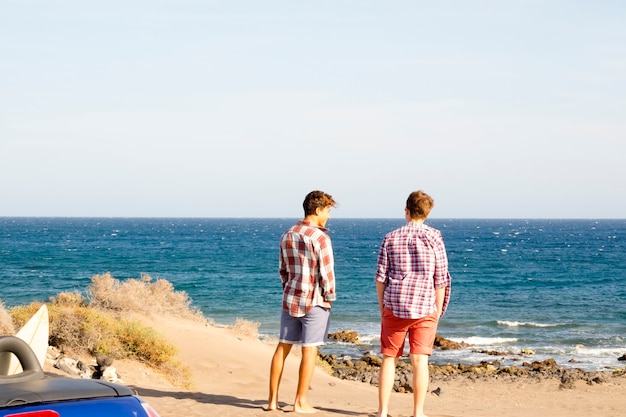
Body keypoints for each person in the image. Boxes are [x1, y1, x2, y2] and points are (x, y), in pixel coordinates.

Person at [374, 190, 451, 417]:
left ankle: (382, 411)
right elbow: (441, 278)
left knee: (389, 358)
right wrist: (438, 309)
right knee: (420, 361)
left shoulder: (390, 237)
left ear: (407, 211)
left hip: (395, 304)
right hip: (426, 306)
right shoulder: (435, 237)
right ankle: (418, 412)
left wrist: (382, 307)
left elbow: (381, 277)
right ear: (427, 213)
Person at [266, 190, 337, 413]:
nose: (328, 216)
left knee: (282, 347)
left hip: (291, 297)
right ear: (317, 210)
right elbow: (327, 274)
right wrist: (330, 298)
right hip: (315, 299)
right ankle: (300, 401)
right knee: (309, 350)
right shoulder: (320, 237)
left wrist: (288, 288)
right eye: (327, 211)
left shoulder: (287, 234)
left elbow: (283, 270)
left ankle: (272, 401)